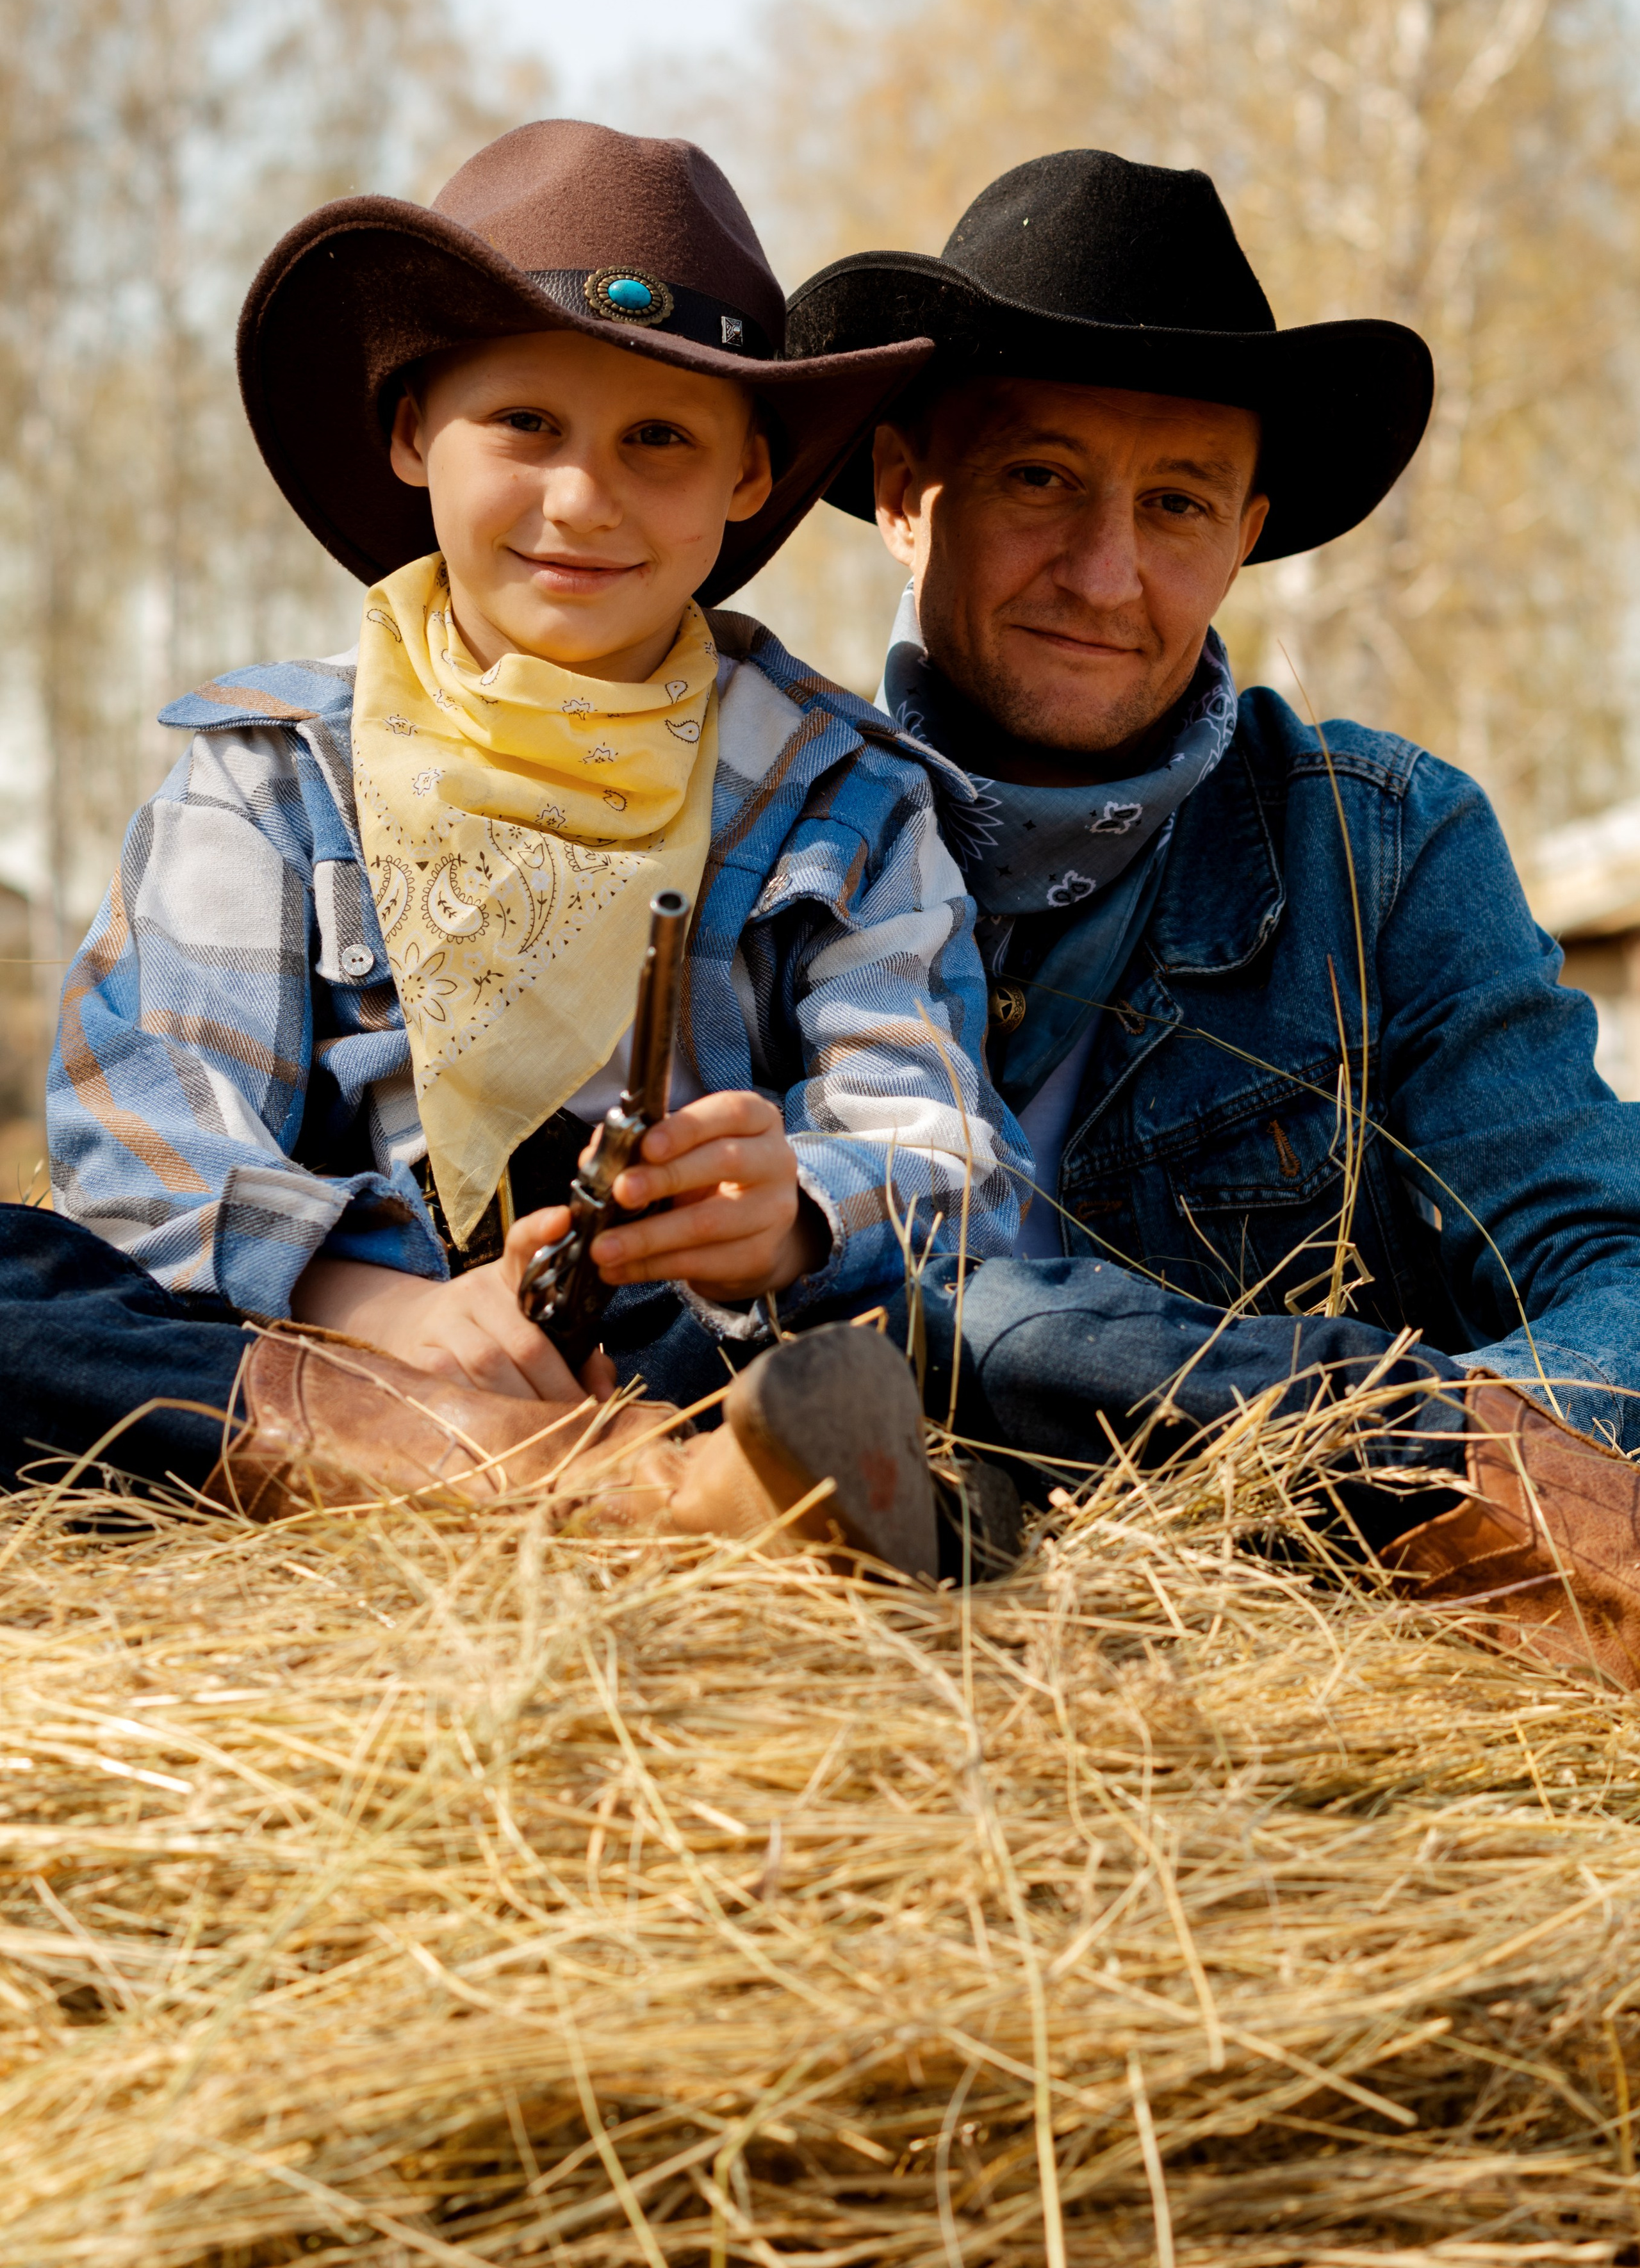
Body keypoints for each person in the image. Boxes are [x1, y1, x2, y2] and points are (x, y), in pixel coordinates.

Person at [12, 118, 1028, 1570]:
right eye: (525, 427)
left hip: (685, 1356)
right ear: (412, 427)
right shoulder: (268, 776)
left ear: (750, 474)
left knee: (976, 1335)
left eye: (658, 440)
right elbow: (151, 1147)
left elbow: (950, 1161)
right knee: (23, 1279)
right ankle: (590, 1491)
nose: (580, 499)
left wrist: (790, 1211)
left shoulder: (840, 795)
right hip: (340, 1352)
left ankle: (691, 1463)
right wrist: (392, 1314)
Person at [773, 145, 1640, 1683]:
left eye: (1174, 502)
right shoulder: (748, 831)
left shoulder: (1380, 850)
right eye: (1040, 477)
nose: (1105, 573)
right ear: (908, 493)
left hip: (1293, 1674)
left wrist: (1401, 1459)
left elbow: (1610, 1270)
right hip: (845, 1668)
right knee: (928, 1319)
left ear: (1243, 531)